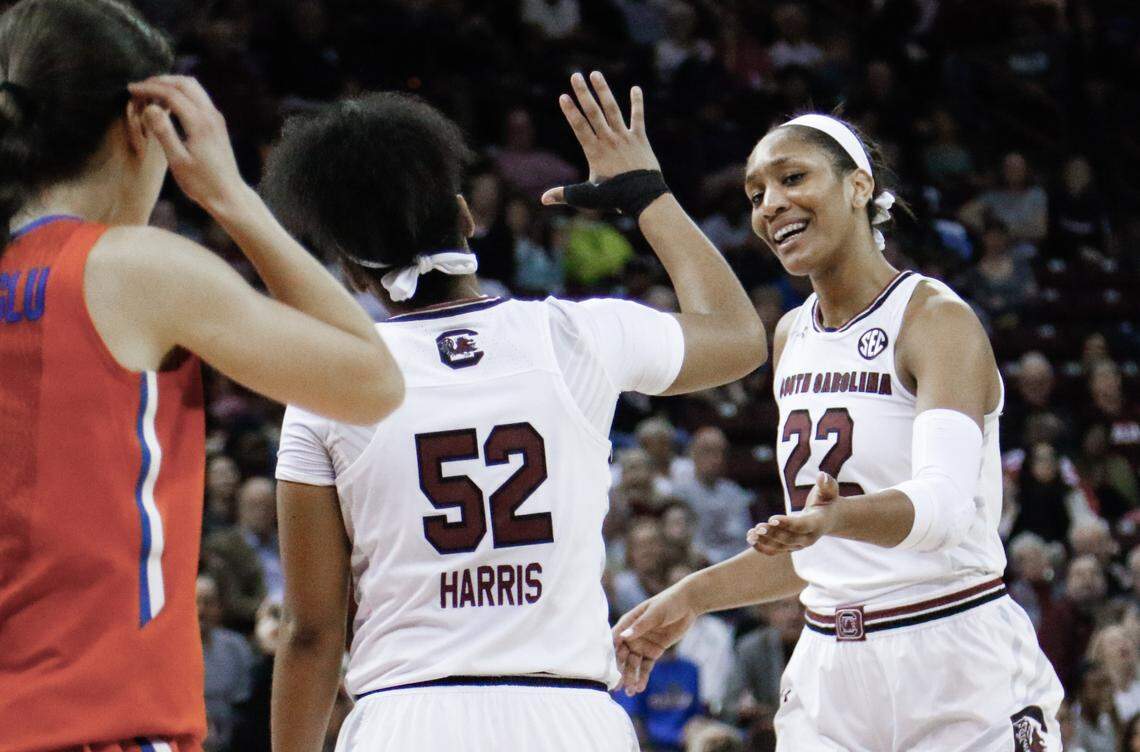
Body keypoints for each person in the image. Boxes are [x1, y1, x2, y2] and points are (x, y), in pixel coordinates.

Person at [267, 71, 766, 752]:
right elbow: (741, 339)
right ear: (467, 219)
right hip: (567, 716)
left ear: (354, 271)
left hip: (409, 720)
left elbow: (313, 631)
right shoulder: (574, 336)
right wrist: (647, 195)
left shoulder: (326, 384)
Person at [0, 1, 403, 750]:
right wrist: (233, 197)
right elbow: (373, 378)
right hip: (97, 726)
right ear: (144, 125)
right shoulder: (133, 267)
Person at [613, 112, 1064, 750]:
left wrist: (835, 520)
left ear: (858, 187)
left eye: (793, 177)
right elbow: (817, 548)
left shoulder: (935, 320)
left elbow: (942, 509)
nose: (772, 204)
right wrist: (692, 595)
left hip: (953, 656)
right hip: (831, 666)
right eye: (755, 194)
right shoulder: (791, 335)